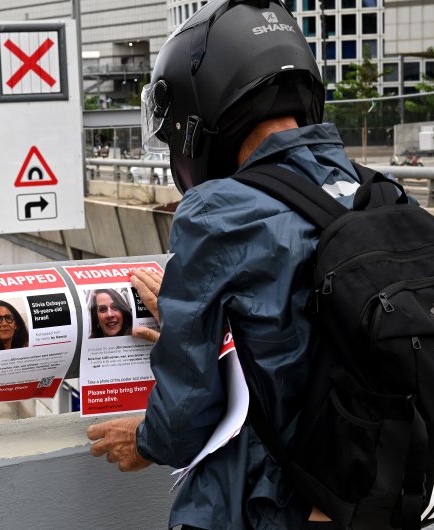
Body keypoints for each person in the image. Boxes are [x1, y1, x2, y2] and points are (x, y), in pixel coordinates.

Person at [86, 1, 362, 528]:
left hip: (274, 500)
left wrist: (145, 440)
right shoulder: (376, 192)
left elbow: (186, 413)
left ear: (203, 110)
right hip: (369, 489)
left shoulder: (217, 213)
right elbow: (303, 321)